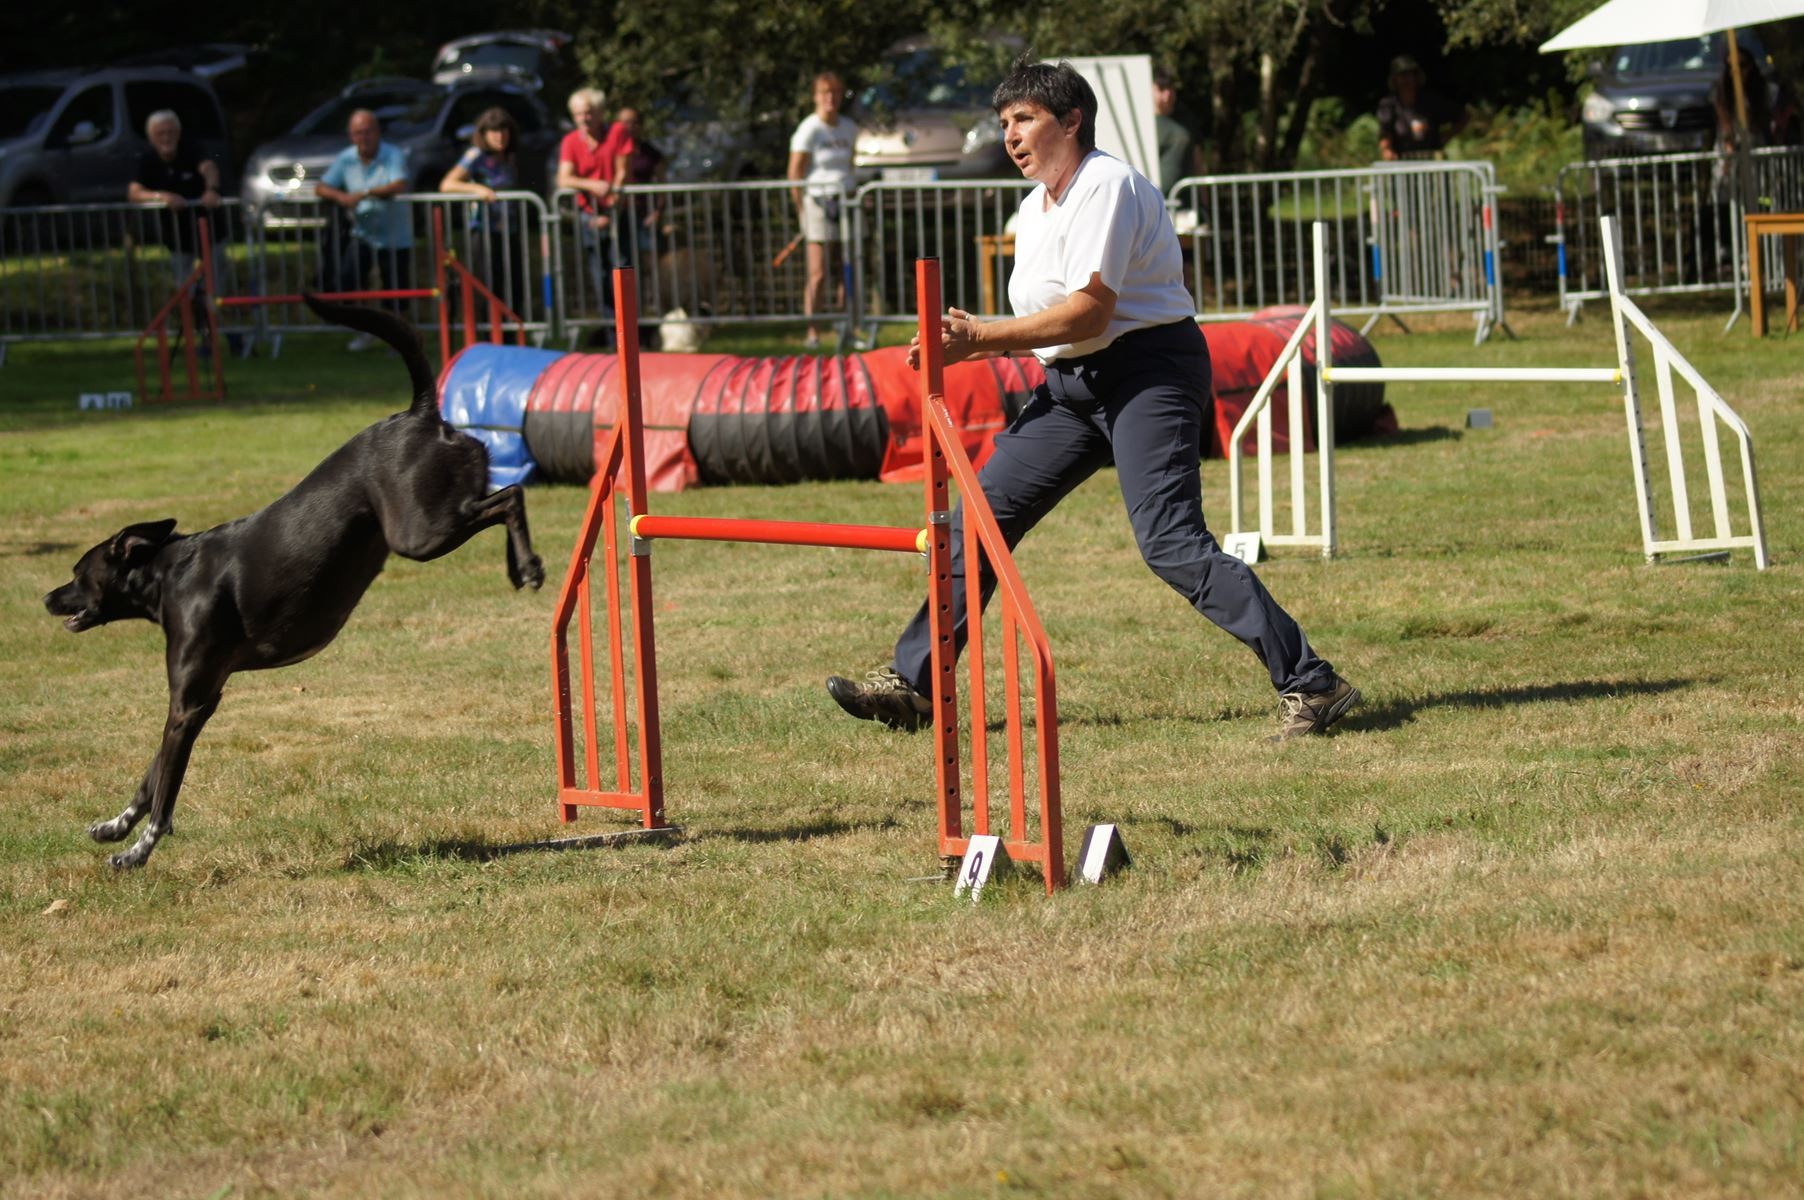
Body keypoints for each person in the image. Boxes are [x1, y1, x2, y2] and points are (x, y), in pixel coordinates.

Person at [826, 59, 1359, 742]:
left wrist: (982, 338)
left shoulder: (1108, 186)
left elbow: (1089, 314)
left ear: (1071, 120)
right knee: (979, 521)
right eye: (1004, 124)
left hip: (1149, 373)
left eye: (1024, 119)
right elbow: (1055, 319)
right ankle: (918, 684)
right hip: (1072, 387)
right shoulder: (1032, 207)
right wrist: (970, 335)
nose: (1010, 136)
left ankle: (1314, 683)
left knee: (1170, 543)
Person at [314, 109, 414, 350]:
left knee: (397, 290)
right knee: (349, 279)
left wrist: (366, 193)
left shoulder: (393, 154)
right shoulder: (346, 158)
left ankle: (401, 339)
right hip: (365, 234)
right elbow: (321, 187)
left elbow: (399, 184)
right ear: (351, 136)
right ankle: (367, 330)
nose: (364, 137)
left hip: (395, 235)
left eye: (368, 131)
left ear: (378, 132)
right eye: (358, 133)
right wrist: (342, 196)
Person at [128, 109, 223, 351]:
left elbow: (209, 168)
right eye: (160, 133)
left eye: (171, 132)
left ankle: (220, 333)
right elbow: (134, 192)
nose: (166, 137)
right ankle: (199, 334)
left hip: (210, 232)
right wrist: (161, 196)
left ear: (179, 133)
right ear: (151, 137)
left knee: (216, 288)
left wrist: (212, 190)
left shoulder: (192, 150)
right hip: (178, 238)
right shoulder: (148, 160)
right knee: (186, 290)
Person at [787, 71, 857, 349]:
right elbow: (795, 172)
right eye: (825, 93)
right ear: (816, 97)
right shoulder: (809, 129)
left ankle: (844, 325)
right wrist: (801, 211)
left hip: (845, 201)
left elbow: (850, 164)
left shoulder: (849, 127)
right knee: (817, 272)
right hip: (817, 203)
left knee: (847, 266)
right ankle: (813, 330)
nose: (830, 99)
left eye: (835, 93)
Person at [438, 106, 527, 317]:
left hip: (510, 229)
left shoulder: (509, 157)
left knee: (513, 283)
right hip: (484, 231)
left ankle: (512, 332)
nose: (500, 136)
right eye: (494, 131)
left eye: (504, 131)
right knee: (488, 283)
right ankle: (489, 334)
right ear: (484, 134)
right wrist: (477, 188)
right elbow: (447, 184)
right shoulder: (475, 155)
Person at [557, 87, 628, 345]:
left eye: (588, 113)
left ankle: (631, 334)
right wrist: (592, 185)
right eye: (578, 115)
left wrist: (613, 201)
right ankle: (612, 337)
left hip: (618, 214)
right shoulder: (570, 142)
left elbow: (623, 171)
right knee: (600, 280)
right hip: (589, 217)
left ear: (599, 113)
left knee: (623, 272)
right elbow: (563, 178)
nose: (584, 119)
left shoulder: (617, 132)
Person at [1376, 55, 1467, 161]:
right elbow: (1385, 132)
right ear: (1394, 79)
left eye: (1412, 75)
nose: (1408, 80)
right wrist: (1387, 149)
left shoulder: (1431, 101)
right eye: (1403, 75)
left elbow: (1464, 116)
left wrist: (1447, 135)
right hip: (1402, 163)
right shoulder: (1389, 104)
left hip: (1432, 161)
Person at [1152, 67, 1204, 194]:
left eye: (1171, 88)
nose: (1167, 95)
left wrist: (1204, 200)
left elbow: (1198, 162)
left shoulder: (1187, 119)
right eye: (1162, 89)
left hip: (1186, 201)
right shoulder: (1143, 122)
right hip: (1155, 202)